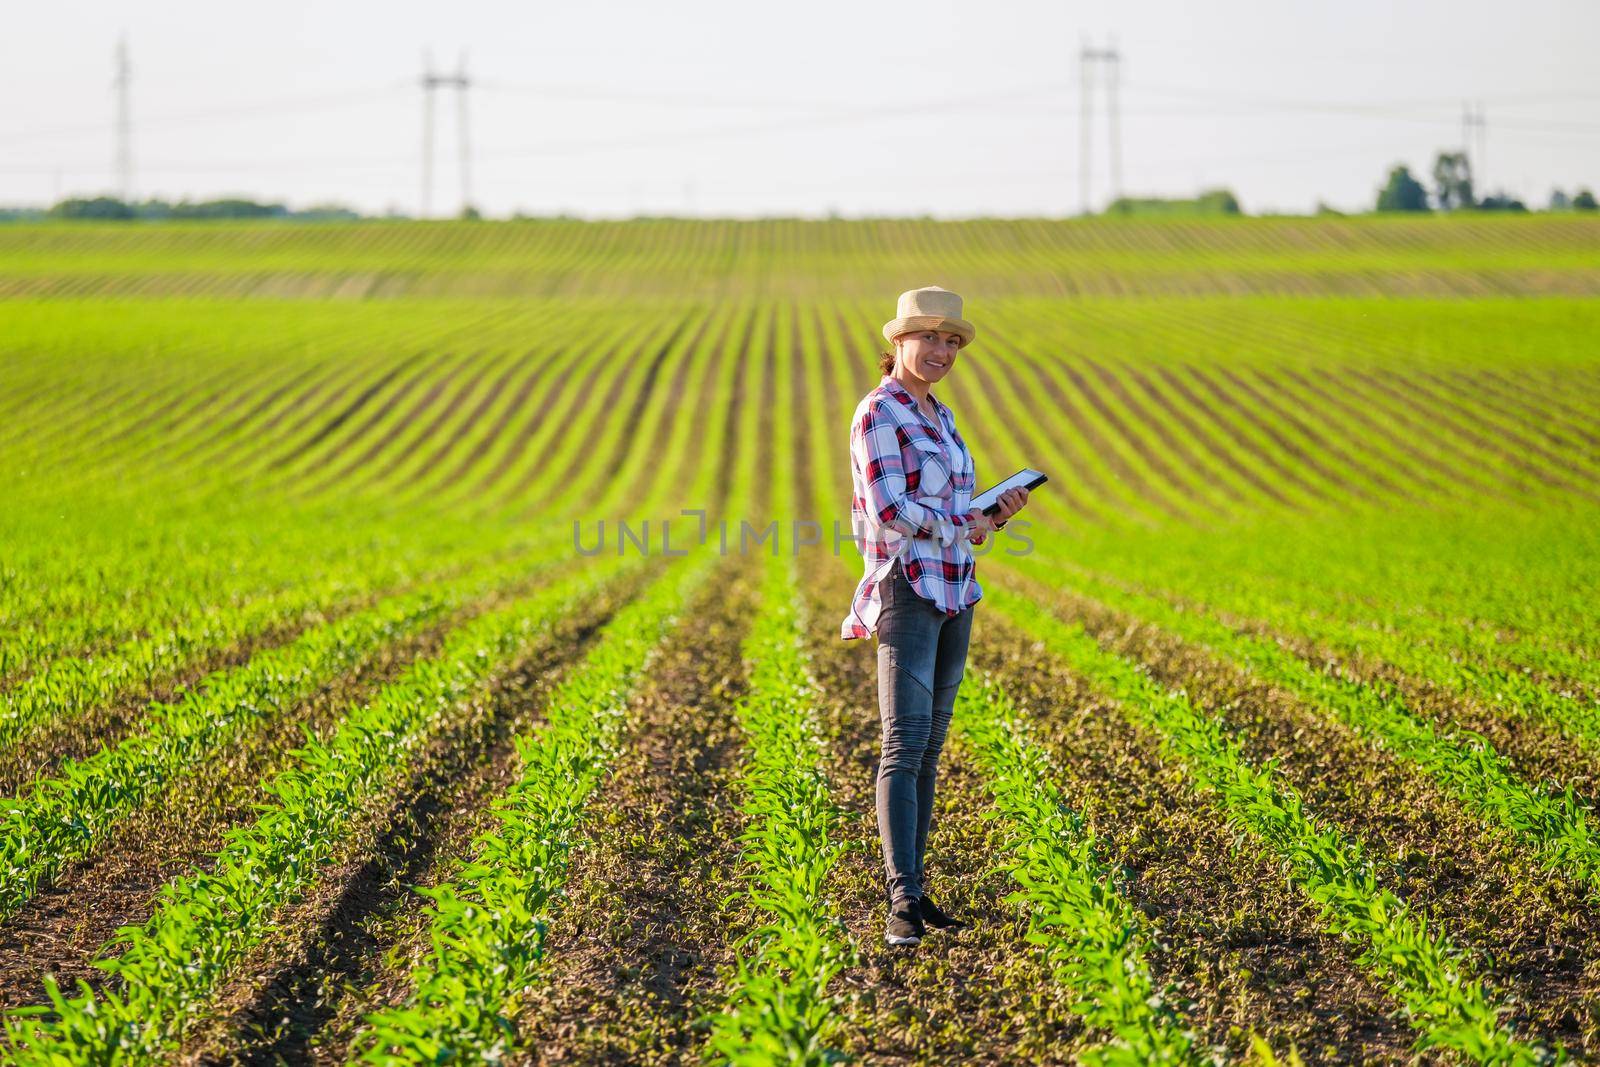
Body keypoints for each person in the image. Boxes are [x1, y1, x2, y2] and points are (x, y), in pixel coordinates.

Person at [839, 285, 1029, 947]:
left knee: (929, 750)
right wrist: (961, 522)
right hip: (907, 591)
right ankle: (898, 904)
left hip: (956, 591)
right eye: (931, 338)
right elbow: (891, 510)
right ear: (898, 342)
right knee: (903, 744)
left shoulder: (941, 417)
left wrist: (987, 519)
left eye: (952, 341)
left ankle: (916, 892)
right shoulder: (879, 413)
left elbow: (948, 515)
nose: (943, 350)